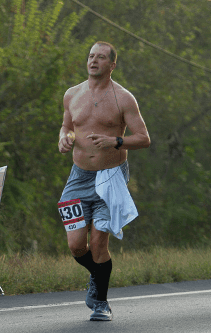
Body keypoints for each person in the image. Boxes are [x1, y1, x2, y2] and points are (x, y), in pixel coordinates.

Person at [57, 41, 150, 321]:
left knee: (98, 243)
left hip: (111, 178)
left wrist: (116, 140)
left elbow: (144, 139)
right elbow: (67, 125)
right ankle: (98, 275)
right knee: (76, 245)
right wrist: (64, 137)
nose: (93, 60)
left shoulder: (124, 98)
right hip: (78, 177)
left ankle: (100, 302)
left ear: (112, 65)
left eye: (100, 57)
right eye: (90, 56)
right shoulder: (72, 94)